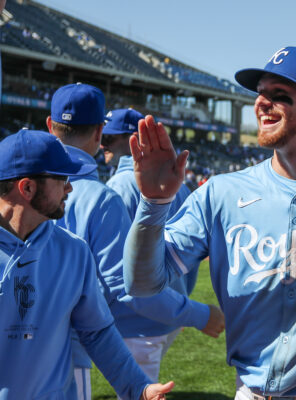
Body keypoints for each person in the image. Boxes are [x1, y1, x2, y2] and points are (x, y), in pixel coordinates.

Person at [122, 46, 296, 400]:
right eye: (261, 93)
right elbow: (142, 284)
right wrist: (153, 204)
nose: (262, 103)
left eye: (280, 95)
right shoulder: (221, 194)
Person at [46, 85, 224, 397]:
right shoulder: (101, 195)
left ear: (50, 125)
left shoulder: (25, 187)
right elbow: (134, 285)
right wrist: (196, 312)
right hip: (152, 313)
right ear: (99, 132)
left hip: (42, 340)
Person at [0, 129, 174, 400]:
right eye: (61, 178)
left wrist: (138, 387)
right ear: (27, 188)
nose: (70, 187)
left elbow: (97, 332)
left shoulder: (74, 250)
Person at [102, 107, 225, 383]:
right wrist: (182, 306)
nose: (102, 144)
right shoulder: (179, 184)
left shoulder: (117, 186)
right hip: (170, 310)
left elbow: (121, 279)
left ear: (136, 138)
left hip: (137, 320)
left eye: (109, 139)